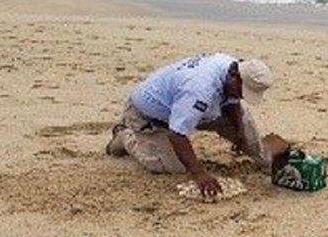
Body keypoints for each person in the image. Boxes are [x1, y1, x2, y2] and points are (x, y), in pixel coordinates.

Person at [105, 53, 279, 197]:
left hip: (193, 107)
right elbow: (177, 134)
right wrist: (200, 174)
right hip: (150, 116)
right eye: (242, 91)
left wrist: (239, 133)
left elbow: (232, 101)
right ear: (234, 76)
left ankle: (267, 162)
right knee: (171, 167)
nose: (242, 96)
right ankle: (124, 136)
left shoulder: (232, 69)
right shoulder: (199, 89)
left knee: (244, 122)